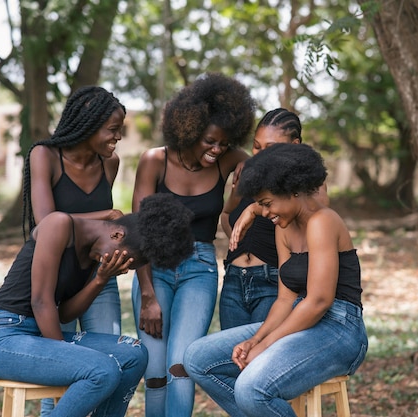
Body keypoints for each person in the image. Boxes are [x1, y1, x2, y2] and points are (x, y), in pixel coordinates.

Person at [183, 143, 368, 417]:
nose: (265, 213)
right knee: (198, 358)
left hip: (340, 329)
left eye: (267, 204)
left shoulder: (323, 222)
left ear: (293, 190)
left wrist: (265, 345)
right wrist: (255, 339)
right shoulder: (284, 228)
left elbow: (318, 301)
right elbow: (285, 300)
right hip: (300, 319)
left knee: (251, 388)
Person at [0, 194, 195, 417]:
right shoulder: (58, 225)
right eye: (125, 260)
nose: (122, 268)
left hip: (37, 338)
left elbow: (65, 314)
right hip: (1, 338)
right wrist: (65, 355)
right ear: (117, 234)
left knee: (134, 354)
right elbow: (40, 301)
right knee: (103, 370)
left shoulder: (94, 253)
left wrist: (100, 279)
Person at [131, 72, 256, 417]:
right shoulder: (154, 160)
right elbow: (139, 229)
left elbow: (255, 164)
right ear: (188, 130)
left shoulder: (229, 159)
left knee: (181, 365)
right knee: (155, 371)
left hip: (199, 267)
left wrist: (243, 180)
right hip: (152, 268)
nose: (217, 150)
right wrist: (147, 296)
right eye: (209, 141)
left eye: (224, 144)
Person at [22, 85, 128, 415]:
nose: (118, 138)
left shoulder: (110, 164)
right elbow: (46, 223)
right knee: (58, 372)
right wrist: (107, 215)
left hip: (99, 274)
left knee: (113, 358)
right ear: (90, 124)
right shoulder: (45, 155)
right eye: (113, 130)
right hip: (56, 277)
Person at [219, 108, 329, 330]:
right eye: (256, 147)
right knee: (233, 360)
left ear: (295, 145)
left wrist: (254, 209)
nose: (260, 155)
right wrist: (238, 240)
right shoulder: (248, 174)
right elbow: (227, 214)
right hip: (233, 280)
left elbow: (315, 216)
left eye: (270, 148)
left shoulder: (309, 181)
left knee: (259, 358)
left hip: (271, 282)